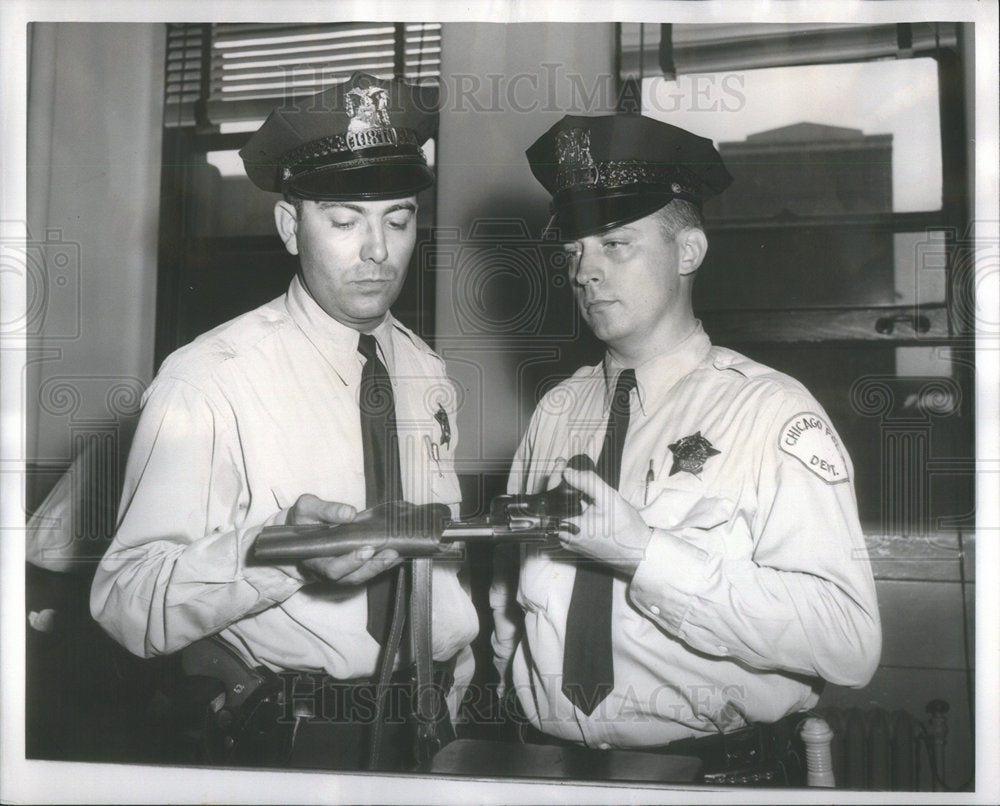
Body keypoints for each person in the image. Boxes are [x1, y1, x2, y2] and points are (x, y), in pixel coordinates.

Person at [90, 72, 478, 770]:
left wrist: (458, 658)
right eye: (343, 221)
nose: (378, 252)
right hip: (298, 743)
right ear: (290, 227)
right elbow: (127, 600)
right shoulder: (209, 378)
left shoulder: (427, 375)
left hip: (432, 730)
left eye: (398, 219)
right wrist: (278, 553)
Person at [491, 114, 882, 782]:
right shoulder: (556, 412)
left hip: (709, 776)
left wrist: (646, 556)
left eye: (615, 244)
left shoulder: (768, 412)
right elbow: (509, 602)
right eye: (573, 252)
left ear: (688, 252)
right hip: (546, 768)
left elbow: (849, 642)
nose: (586, 271)